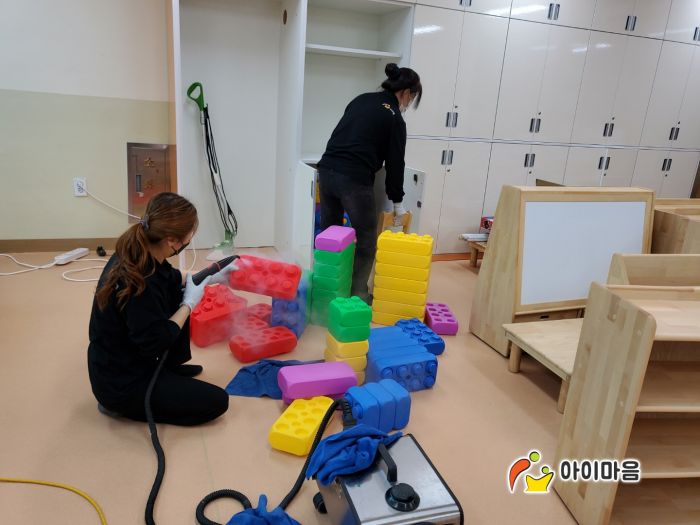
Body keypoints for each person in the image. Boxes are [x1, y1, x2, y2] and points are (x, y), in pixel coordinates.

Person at [88, 192, 235, 426]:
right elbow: (156, 340)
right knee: (217, 401)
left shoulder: (140, 249)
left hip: (127, 357)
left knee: (176, 290)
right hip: (121, 383)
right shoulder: (139, 284)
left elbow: (172, 278)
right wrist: (188, 305)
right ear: (172, 241)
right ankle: (118, 404)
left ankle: (166, 369)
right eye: (190, 234)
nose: (190, 238)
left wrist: (212, 275)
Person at [317, 63, 422, 303]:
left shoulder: (361, 99)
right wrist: (397, 202)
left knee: (330, 236)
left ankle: (328, 292)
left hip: (327, 170)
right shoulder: (395, 118)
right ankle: (357, 294)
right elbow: (396, 163)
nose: (409, 103)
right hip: (353, 178)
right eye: (412, 97)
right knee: (366, 239)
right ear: (406, 92)